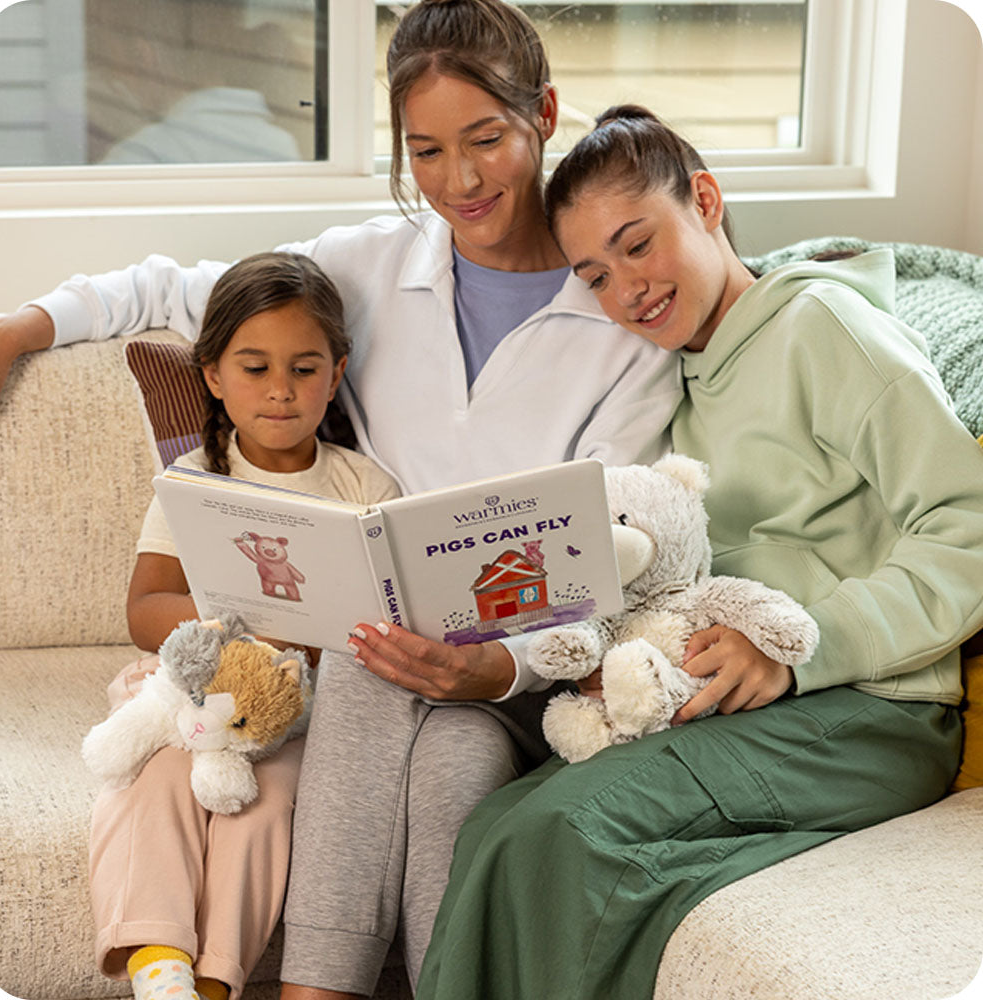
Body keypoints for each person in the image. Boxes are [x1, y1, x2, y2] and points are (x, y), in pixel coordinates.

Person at [0, 5, 682, 997]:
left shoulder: (621, 320)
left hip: (523, 667)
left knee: (417, 714)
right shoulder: (366, 268)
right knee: (434, 750)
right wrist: (15, 330)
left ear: (544, 116)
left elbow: (611, 549)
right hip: (383, 656)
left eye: (486, 138)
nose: (460, 180)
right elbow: (171, 290)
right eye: (426, 151)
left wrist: (494, 666)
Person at [414, 105, 983, 1000]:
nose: (628, 290)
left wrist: (799, 650)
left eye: (638, 245)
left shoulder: (824, 328)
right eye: (596, 276)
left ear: (706, 203)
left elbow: (969, 523)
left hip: (874, 710)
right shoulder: (670, 377)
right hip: (736, 704)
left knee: (559, 833)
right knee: (497, 823)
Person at [89, 252, 400, 1000]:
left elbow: (388, 617)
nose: (280, 390)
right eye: (255, 368)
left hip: (301, 713)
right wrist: (246, 625)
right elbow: (146, 608)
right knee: (156, 778)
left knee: (265, 805)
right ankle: (158, 960)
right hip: (195, 694)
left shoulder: (364, 485)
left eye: (304, 369)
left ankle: (214, 982)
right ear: (213, 375)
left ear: (337, 372)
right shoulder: (194, 481)